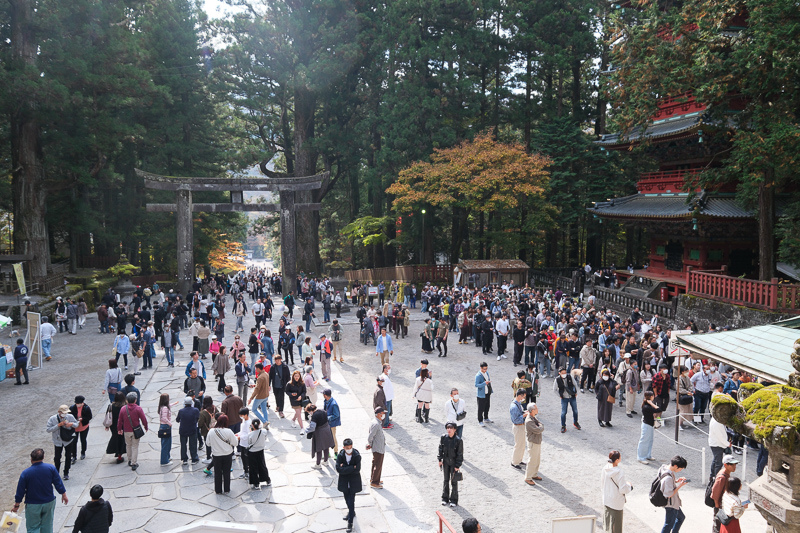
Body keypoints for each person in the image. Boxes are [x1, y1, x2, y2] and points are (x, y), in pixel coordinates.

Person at [13, 448, 68, 533]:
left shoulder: (26, 473)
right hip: (49, 502)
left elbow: (20, 491)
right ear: (43, 457)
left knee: (33, 528)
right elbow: (58, 483)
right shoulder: (51, 468)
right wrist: (63, 494)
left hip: (33, 504)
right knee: (47, 526)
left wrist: (16, 505)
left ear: (31, 459)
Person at [600, 450, 633, 533]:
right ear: (617, 460)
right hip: (617, 502)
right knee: (616, 527)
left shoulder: (605, 468)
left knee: (607, 525)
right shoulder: (620, 472)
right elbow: (622, 489)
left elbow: (602, 483)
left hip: (607, 499)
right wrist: (629, 486)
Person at [205, 414, 237, 494]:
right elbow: (235, 443)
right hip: (227, 455)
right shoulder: (229, 431)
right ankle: (227, 489)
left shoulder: (211, 431)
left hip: (216, 455)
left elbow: (208, 443)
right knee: (226, 472)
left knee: (217, 473)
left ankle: (218, 490)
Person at [336, 438, 362, 533]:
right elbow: (338, 469)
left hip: (353, 482)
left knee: (352, 500)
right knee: (347, 499)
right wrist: (351, 468)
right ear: (344, 447)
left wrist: (345, 468)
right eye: (347, 448)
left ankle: (350, 522)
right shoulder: (340, 456)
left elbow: (357, 469)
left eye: (350, 447)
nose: (349, 449)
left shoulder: (356, 455)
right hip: (344, 482)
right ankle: (352, 512)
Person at [117, 392, 148, 471]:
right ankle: (134, 463)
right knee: (135, 446)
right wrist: (145, 426)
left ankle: (129, 459)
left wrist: (119, 429)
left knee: (128, 445)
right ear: (135, 400)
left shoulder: (123, 409)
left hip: (126, 430)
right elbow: (143, 419)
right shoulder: (138, 408)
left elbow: (120, 420)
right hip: (135, 430)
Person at [46, 405, 78, 480]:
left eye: (66, 413)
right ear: (59, 412)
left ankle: (66, 472)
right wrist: (58, 425)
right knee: (57, 457)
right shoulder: (52, 419)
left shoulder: (70, 416)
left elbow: (76, 424)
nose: (65, 414)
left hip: (68, 440)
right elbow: (48, 429)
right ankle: (56, 472)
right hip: (58, 441)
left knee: (68, 456)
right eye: (63, 413)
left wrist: (71, 424)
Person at [658, 456, 689, 533]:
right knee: (668, 525)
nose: (680, 470)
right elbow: (669, 494)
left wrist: (676, 481)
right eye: (680, 469)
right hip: (671, 504)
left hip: (673, 503)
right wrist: (680, 486)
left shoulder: (663, 468)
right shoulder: (668, 478)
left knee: (681, 518)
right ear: (675, 466)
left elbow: (664, 482)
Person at [438, 421, 464, 508]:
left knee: (454, 482)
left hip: (453, 463)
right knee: (445, 480)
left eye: (451, 428)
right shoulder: (443, 437)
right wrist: (440, 459)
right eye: (448, 428)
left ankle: (454, 499)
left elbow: (460, 454)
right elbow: (440, 448)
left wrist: (457, 465)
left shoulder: (458, 440)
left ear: (454, 429)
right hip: (445, 461)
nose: (449, 430)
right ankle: (445, 498)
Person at [711, 455, 740, 533]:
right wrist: (717, 506)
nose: (734, 466)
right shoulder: (722, 477)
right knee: (717, 527)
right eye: (732, 464)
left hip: (723, 505)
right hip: (720, 507)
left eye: (735, 464)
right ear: (725, 465)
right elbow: (714, 492)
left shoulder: (727, 473)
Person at [307, 403, 335, 468]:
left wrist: (306, 430)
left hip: (320, 433)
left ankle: (318, 464)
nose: (309, 413)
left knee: (319, 448)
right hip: (327, 430)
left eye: (309, 412)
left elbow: (312, 427)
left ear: (311, 411)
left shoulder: (315, 416)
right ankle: (326, 461)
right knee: (326, 447)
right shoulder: (323, 411)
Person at [522, 403, 544, 485]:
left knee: (537, 459)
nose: (537, 410)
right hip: (533, 442)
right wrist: (541, 426)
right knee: (532, 460)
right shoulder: (529, 421)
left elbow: (540, 425)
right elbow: (538, 429)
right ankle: (528, 477)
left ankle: (534, 474)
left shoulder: (533, 417)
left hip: (537, 441)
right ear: (532, 410)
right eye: (536, 408)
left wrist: (540, 426)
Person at [637, 391, 661, 464]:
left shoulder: (647, 405)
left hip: (649, 424)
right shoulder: (647, 406)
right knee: (644, 441)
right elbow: (658, 409)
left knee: (650, 440)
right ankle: (641, 457)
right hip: (647, 425)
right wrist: (651, 403)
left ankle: (648, 455)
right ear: (650, 397)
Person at [247, 418, 271, 490]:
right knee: (262, 465)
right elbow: (265, 438)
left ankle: (256, 483)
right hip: (261, 450)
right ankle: (267, 480)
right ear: (259, 424)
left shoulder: (250, 434)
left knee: (253, 467)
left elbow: (249, 442)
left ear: (252, 425)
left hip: (252, 452)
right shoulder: (263, 431)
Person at [555, 367, 581, 433]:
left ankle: (575, 422)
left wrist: (576, 392)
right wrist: (560, 395)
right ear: (559, 373)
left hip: (572, 396)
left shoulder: (570, 377)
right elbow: (554, 389)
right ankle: (563, 426)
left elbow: (575, 384)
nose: (564, 374)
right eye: (562, 373)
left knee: (575, 411)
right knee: (563, 412)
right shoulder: (557, 379)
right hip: (564, 398)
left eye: (565, 373)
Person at [366, 406, 386, 489]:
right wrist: (370, 444)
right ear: (378, 414)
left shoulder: (376, 422)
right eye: (382, 414)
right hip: (378, 447)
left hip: (378, 446)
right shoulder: (376, 424)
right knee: (378, 465)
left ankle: (374, 478)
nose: (383, 415)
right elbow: (370, 436)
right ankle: (375, 482)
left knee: (375, 463)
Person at [176, 396, 200, 464]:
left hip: (183, 429)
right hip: (192, 429)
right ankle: (194, 458)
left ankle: (184, 459)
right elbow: (198, 418)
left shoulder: (181, 411)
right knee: (193, 444)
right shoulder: (196, 410)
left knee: (183, 444)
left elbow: (177, 420)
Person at [69, 396, 93, 461]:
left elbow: (90, 417)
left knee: (83, 440)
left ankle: (83, 453)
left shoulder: (86, 408)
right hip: (75, 428)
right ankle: (74, 455)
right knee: (74, 442)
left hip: (84, 426)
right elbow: (69, 417)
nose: (77, 405)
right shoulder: (72, 408)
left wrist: (82, 419)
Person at [104, 392, 126, 464]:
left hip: (113, 425)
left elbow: (108, 415)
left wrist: (107, 425)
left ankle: (117, 452)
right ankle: (120, 454)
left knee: (115, 437)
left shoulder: (111, 406)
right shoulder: (124, 406)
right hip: (123, 425)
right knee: (122, 439)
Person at [509, 389, 528, 470]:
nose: (524, 398)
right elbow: (516, 420)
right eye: (523, 396)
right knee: (518, 445)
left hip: (521, 426)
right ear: (520, 395)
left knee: (522, 444)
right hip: (518, 426)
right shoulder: (514, 406)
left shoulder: (517, 403)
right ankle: (514, 462)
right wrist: (524, 415)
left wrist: (524, 413)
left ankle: (519, 460)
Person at [157, 393, 175, 466]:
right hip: (166, 426)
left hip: (164, 426)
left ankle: (167, 457)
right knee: (166, 444)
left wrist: (174, 404)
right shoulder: (165, 408)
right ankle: (164, 461)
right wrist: (169, 423)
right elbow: (163, 418)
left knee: (167, 443)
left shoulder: (162, 407)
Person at [475, 362, 493, 427]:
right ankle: (480, 420)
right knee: (481, 408)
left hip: (487, 392)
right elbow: (476, 385)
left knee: (487, 406)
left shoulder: (487, 373)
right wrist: (484, 383)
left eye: (486, 369)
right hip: (481, 394)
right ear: (481, 368)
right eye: (484, 369)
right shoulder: (478, 375)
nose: (485, 370)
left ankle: (486, 418)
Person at [324, 389, 341, 455]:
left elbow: (336, 415)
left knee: (333, 438)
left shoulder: (334, 404)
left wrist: (328, 418)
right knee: (326, 438)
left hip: (332, 424)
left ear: (325, 395)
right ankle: (327, 452)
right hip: (326, 423)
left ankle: (336, 452)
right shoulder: (326, 401)